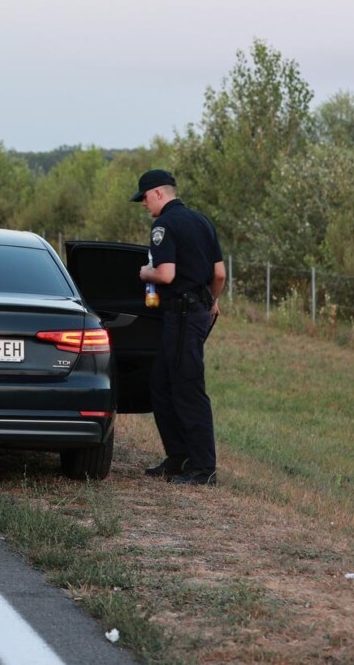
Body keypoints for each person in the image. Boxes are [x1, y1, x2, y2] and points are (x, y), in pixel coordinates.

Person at [133, 169, 226, 486]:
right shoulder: (202, 221)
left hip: (183, 316)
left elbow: (167, 275)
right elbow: (220, 273)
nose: (144, 205)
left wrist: (145, 272)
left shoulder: (163, 225)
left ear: (158, 193)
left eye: (144, 198)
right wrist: (211, 301)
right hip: (195, 311)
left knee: (187, 388)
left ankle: (203, 468)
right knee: (160, 383)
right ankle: (178, 457)